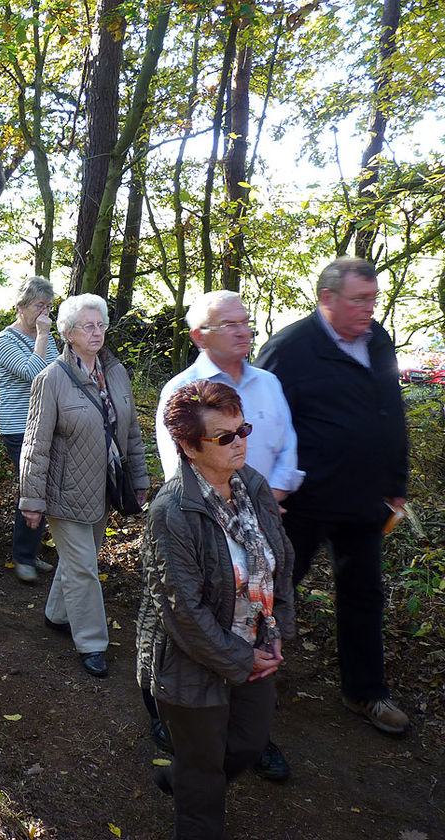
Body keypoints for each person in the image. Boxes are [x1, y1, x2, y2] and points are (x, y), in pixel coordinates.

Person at [255, 256, 409, 735]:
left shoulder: (377, 339)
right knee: (272, 594)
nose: (369, 308)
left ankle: (365, 693)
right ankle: (248, 680)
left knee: (364, 595)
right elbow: (260, 423)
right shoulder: (290, 348)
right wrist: (262, 495)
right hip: (302, 503)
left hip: (364, 500)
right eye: (359, 299)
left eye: (373, 298)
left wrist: (396, 485)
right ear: (327, 299)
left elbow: (390, 411)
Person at [153, 289, 302, 779]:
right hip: (207, 546)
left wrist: (267, 501)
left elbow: (288, 449)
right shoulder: (184, 392)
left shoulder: (270, 385)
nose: (245, 331)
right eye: (230, 324)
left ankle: (236, 743)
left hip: (262, 523)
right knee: (202, 734)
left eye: (247, 322)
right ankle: (190, 748)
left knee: (245, 727)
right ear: (201, 335)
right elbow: (180, 481)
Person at [136, 381, 295, 840]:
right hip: (190, 661)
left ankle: (183, 779)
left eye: (242, 429)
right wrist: (239, 659)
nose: (240, 441)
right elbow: (182, 609)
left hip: (254, 646)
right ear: (187, 446)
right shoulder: (172, 511)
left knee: (247, 742)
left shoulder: (253, 485)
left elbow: (279, 561)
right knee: (205, 774)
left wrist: (277, 629)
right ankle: (194, 792)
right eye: (224, 437)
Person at [19, 294, 148, 677]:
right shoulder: (51, 379)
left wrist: (139, 479)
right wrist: (31, 499)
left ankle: (57, 615)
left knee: (79, 562)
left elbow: (132, 433)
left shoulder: (116, 372)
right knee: (84, 569)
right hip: (64, 493)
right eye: (87, 326)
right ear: (68, 333)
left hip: (102, 489)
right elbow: (35, 443)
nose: (97, 332)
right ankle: (92, 642)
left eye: (101, 324)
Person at [0, 276, 61, 582]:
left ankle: (30, 553)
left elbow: (59, 374)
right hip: (18, 426)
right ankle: (22, 557)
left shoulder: (49, 338)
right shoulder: (4, 340)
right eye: (38, 306)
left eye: (48, 306)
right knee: (32, 489)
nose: (44, 313)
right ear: (21, 307)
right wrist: (43, 336)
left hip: (46, 424)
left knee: (43, 488)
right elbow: (35, 373)